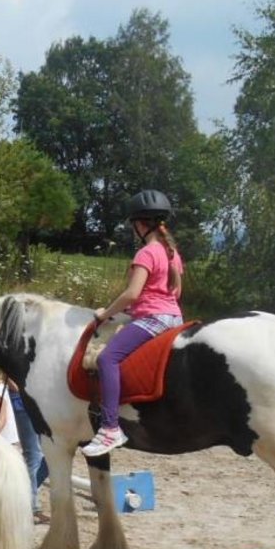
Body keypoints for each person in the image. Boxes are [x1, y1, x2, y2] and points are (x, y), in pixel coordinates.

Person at [82, 189, 184, 457]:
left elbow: (131, 294)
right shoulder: (172, 253)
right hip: (175, 316)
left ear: (140, 224)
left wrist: (104, 315)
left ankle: (110, 428)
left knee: (107, 359)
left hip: (154, 318)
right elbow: (177, 293)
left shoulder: (147, 253)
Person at [8, 378, 50, 524]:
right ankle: (32, 507)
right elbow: (11, 380)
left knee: (48, 456)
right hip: (22, 404)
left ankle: (22, 496)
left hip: (38, 404)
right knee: (34, 455)